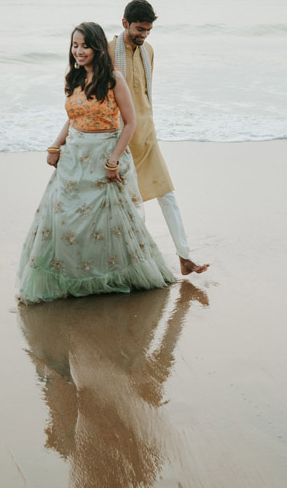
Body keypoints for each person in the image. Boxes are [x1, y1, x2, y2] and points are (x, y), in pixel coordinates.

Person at [18, 21, 175, 304]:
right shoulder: (74, 78)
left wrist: (114, 159)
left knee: (108, 224)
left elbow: (130, 123)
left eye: (85, 45)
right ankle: (68, 276)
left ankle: (111, 277)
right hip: (74, 158)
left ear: (97, 47)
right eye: (75, 46)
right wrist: (56, 145)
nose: (79, 51)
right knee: (64, 219)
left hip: (105, 157)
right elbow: (74, 117)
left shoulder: (114, 78)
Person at [108, 0, 209, 276]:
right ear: (124, 23)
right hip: (120, 138)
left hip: (147, 135)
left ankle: (185, 257)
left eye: (149, 30)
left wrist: (150, 126)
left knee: (167, 194)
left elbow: (145, 94)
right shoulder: (107, 50)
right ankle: (133, 262)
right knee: (131, 203)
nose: (144, 35)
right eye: (139, 29)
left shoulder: (148, 50)